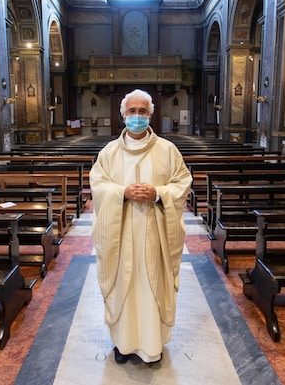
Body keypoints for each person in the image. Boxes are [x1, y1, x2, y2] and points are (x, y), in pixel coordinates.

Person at [89, 89, 192, 364]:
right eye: (132, 111)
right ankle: (123, 345)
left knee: (151, 286)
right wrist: (122, 192)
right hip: (120, 234)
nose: (137, 116)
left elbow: (182, 182)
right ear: (123, 115)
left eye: (142, 112)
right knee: (124, 284)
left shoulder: (167, 150)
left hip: (155, 234)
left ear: (151, 115)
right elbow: (97, 185)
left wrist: (158, 193)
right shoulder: (109, 152)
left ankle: (152, 346)